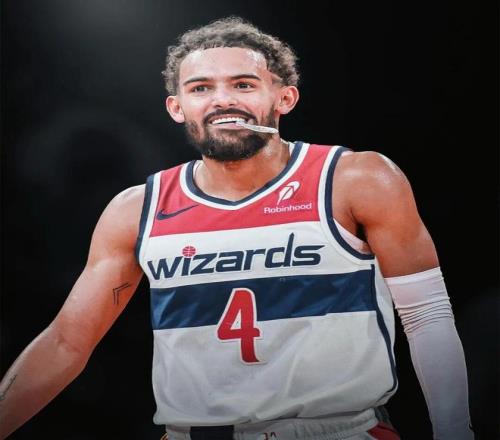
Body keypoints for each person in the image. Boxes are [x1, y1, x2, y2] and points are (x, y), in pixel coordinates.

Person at [0, 16, 474, 440]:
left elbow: (427, 316)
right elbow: (66, 342)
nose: (222, 99)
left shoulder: (356, 179)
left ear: (284, 98)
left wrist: (455, 431)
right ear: (177, 107)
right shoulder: (137, 209)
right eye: (201, 88)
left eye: (244, 85)